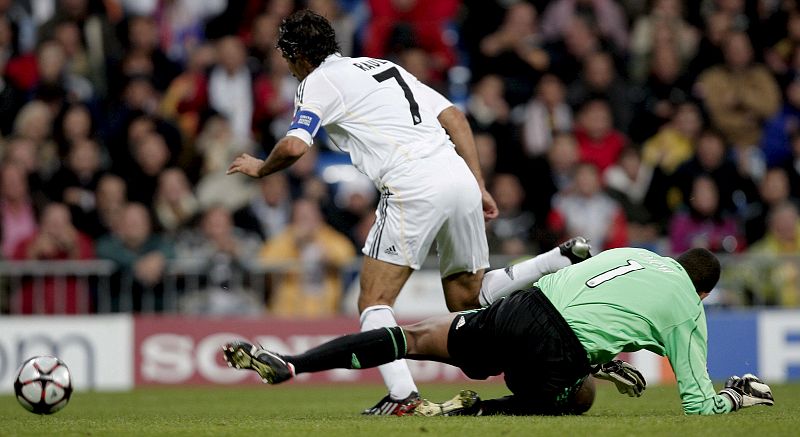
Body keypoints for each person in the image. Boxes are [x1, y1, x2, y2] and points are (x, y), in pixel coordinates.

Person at [226, 10, 591, 415]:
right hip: (457, 176)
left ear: (297, 55)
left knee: (374, 301)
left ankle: (402, 396)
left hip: (412, 183)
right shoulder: (382, 66)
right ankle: (555, 259)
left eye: (287, 57)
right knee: (466, 297)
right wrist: (478, 183)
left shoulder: (316, 82)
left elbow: (296, 145)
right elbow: (454, 116)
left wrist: (261, 168)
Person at [223, 247, 775, 416]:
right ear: (704, 293)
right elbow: (698, 405)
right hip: (555, 350)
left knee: (415, 337)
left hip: (522, 308)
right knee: (577, 397)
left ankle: (293, 364)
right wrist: (734, 396)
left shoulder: (636, 254)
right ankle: (468, 412)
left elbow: (592, 303)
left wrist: (599, 356)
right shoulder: (688, 307)